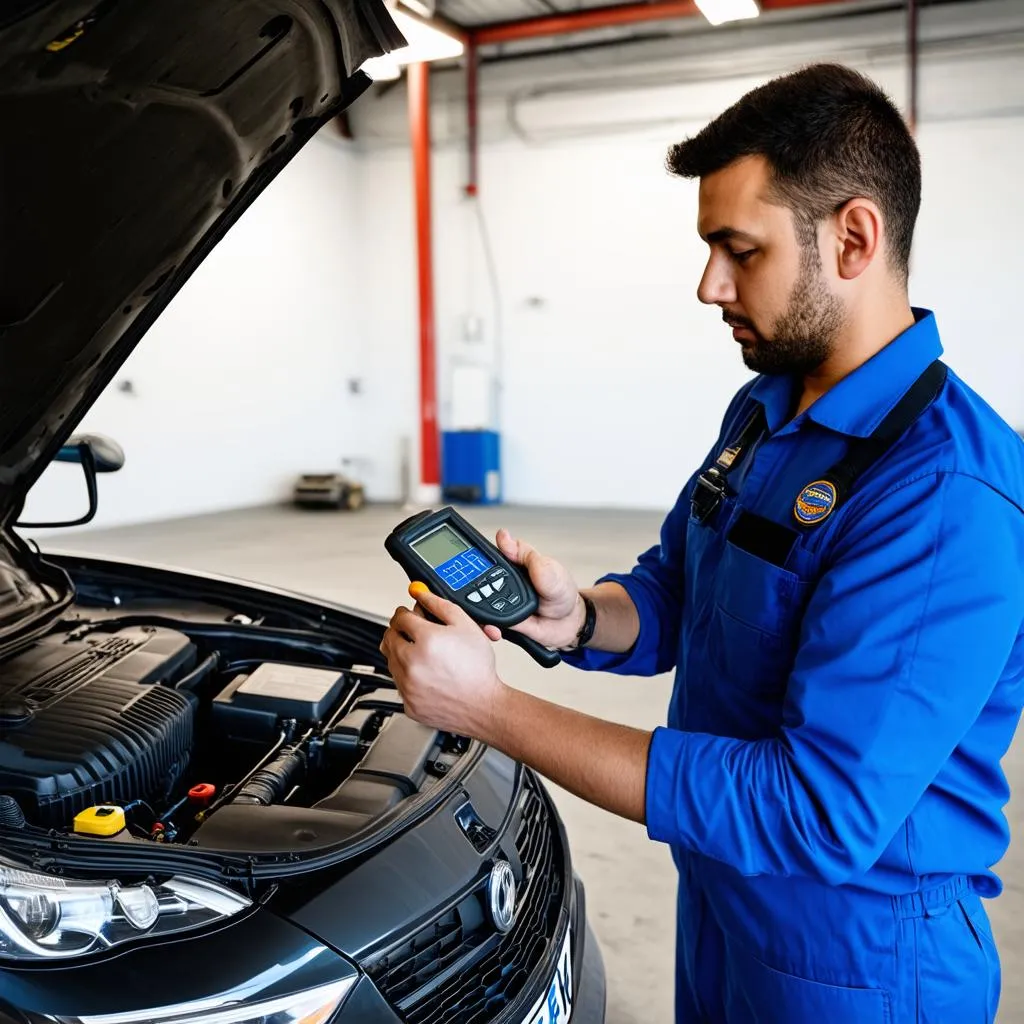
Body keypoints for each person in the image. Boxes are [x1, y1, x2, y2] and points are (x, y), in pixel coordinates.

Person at [379, 63, 1024, 1023]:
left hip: (863, 962)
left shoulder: (943, 495)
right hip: (725, 904)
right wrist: (577, 616)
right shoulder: (767, 409)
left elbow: (816, 811)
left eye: (740, 249)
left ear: (854, 237)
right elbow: (681, 588)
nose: (708, 284)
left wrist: (495, 712)